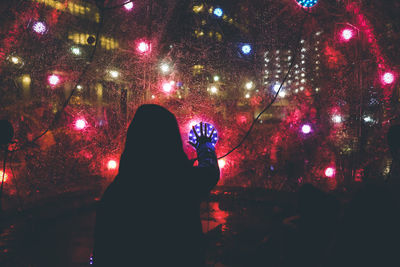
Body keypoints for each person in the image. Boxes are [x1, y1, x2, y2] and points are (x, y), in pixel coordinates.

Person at [93, 104, 220, 266]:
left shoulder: (117, 192)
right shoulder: (181, 184)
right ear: (171, 139)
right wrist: (205, 145)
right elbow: (209, 173)